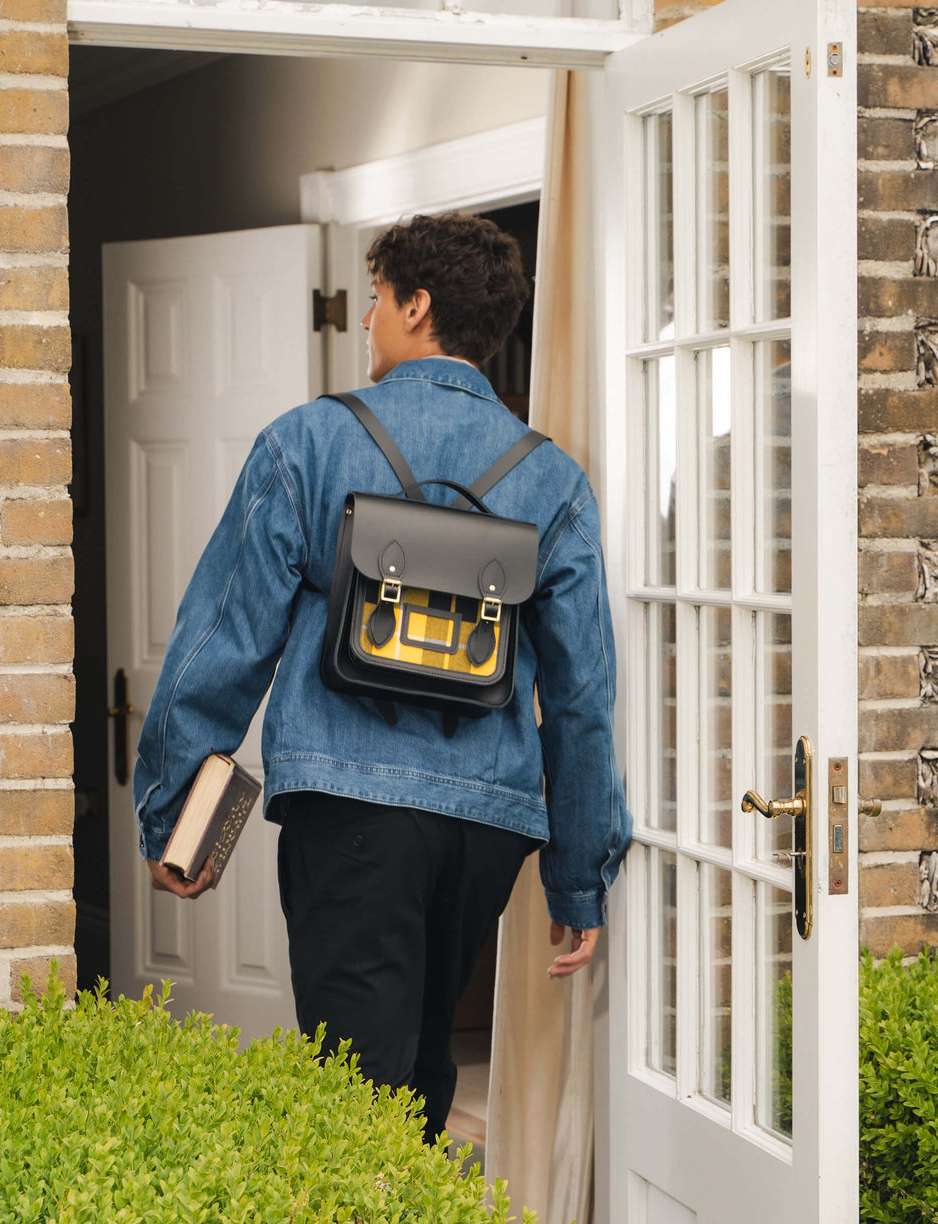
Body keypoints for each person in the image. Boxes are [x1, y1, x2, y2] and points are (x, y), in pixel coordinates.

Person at [135, 212, 631, 1142]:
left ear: (418, 305)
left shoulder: (307, 444)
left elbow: (223, 641)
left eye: (376, 299)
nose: (366, 319)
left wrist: (176, 815)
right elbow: (580, 697)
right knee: (424, 1064)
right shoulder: (553, 480)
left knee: (354, 1087)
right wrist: (579, 872)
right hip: (487, 822)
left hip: (351, 809)